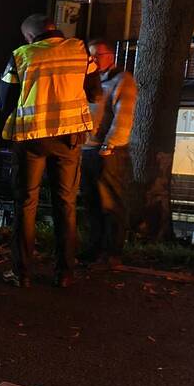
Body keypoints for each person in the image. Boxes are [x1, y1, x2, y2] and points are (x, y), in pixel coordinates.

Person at [0, 14, 100, 288]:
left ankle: (21, 273)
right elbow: (95, 94)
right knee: (65, 204)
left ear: (30, 37)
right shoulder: (80, 51)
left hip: (32, 139)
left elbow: (4, 101)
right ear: (55, 29)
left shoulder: (21, 55)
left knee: (26, 204)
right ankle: (65, 273)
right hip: (69, 139)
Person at [81, 40, 137, 267]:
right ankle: (93, 248)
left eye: (97, 55)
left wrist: (110, 145)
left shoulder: (122, 80)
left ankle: (112, 252)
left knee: (111, 203)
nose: (92, 60)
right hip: (88, 149)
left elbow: (123, 115)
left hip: (108, 151)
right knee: (91, 202)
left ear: (110, 56)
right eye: (90, 56)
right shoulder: (91, 81)